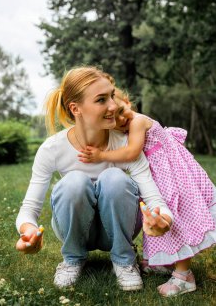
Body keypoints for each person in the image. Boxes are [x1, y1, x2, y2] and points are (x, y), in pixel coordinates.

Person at [16, 66, 173, 291]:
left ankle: (124, 260)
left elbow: (156, 201)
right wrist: (27, 230)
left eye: (111, 95)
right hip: (77, 231)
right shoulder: (52, 149)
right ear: (75, 109)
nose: (113, 105)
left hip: (121, 229)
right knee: (73, 181)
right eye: (101, 100)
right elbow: (28, 209)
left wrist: (163, 221)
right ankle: (72, 258)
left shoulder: (126, 145)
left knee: (114, 178)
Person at [78, 87, 216, 297]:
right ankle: (165, 261)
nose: (122, 119)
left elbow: (132, 152)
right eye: (114, 119)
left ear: (127, 102)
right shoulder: (123, 128)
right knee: (153, 218)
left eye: (122, 110)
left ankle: (184, 275)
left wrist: (101, 155)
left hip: (174, 178)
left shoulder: (138, 121)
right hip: (159, 179)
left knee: (175, 220)